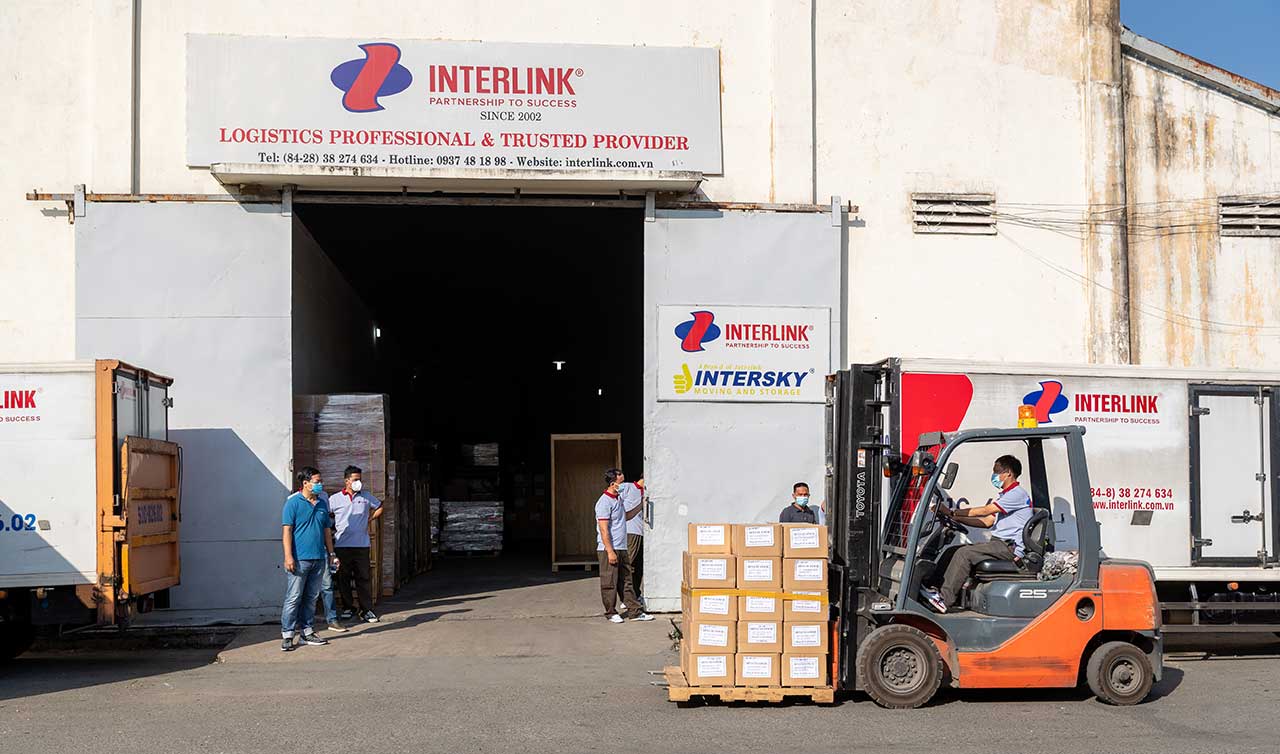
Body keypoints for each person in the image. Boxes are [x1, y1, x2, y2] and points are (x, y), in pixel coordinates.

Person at [920, 455, 1033, 613]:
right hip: (999, 544)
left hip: (1009, 547)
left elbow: (985, 511)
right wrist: (954, 518)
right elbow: (986, 521)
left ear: (1008, 473)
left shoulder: (1017, 494)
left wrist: (952, 512)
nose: (993, 475)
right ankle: (933, 590)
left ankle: (944, 600)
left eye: (996, 471)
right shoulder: (1007, 496)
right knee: (952, 551)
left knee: (965, 554)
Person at [281, 466, 339, 651]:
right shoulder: (293, 503)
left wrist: (331, 554)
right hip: (299, 559)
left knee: (312, 597)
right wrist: (288, 556)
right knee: (294, 597)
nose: (320, 484)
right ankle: (288, 634)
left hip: (319, 558)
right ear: (305, 483)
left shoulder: (322, 504)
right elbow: (287, 531)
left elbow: (327, 531)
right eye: (317, 481)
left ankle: (307, 632)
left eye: (321, 481)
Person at [595, 468, 652, 623]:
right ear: (612, 484)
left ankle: (634, 612)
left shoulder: (618, 500)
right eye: (620, 483)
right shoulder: (604, 502)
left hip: (622, 547)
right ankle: (611, 612)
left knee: (626, 581)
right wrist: (610, 551)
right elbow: (603, 529)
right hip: (609, 548)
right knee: (609, 582)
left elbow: (625, 516)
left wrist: (641, 505)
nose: (623, 486)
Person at [329, 465, 383, 624]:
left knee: (363, 578)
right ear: (347, 481)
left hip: (361, 545)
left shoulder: (366, 496)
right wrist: (331, 528)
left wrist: (370, 519)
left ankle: (366, 610)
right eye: (355, 479)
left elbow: (379, 506)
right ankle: (348, 607)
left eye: (360, 479)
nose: (358, 482)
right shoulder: (335, 499)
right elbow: (325, 514)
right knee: (343, 577)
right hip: (342, 545)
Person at [617, 473, 645, 604]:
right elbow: (613, 498)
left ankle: (635, 594)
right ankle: (625, 598)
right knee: (628, 564)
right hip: (630, 531)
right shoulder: (627, 487)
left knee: (638, 566)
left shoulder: (647, 492)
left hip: (642, 532)